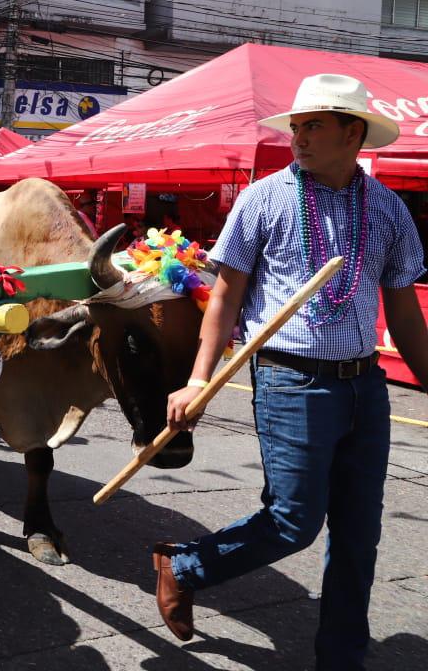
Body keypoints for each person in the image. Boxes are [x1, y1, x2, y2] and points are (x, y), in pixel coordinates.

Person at [154, 74, 428, 667]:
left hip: (366, 385)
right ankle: (185, 565)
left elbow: (403, 307)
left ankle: (341, 658)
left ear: (353, 134)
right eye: (296, 127)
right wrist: (199, 378)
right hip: (289, 379)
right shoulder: (264, 198)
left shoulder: (387, 209)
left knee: (359, 533)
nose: (299, 137)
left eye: (313, 127)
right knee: (293, 522)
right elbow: (224, 298)